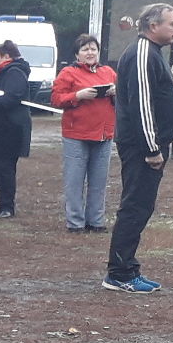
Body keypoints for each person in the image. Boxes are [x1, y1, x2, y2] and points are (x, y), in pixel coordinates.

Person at [105, 3, 173, 293]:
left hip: (150, 144)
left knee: (141, 206)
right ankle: (120, 273)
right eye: (172, 23)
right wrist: (152, 148)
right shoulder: (142, 52)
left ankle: (127, 268)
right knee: (135, 207)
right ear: (153, 26)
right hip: (141, 147)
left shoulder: (152, 53)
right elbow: (141, 104)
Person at [52, 35, 116, 233]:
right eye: (85, 49)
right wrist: (77, 95)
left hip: (104, 134)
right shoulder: (68, 73)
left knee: (99, 182)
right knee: (74, 181)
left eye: (93, 49)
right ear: (77, 54)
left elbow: (124, 98)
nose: (90, 53)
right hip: (76, 135)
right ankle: (75, 222)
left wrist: (116, 92)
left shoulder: (108, 72)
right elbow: (56, 99)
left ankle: (96, 221)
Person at [0, 41, 33, 218]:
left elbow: (11, 98)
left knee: (5, 167)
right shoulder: (0, 73)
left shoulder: (14, 73)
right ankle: (2, 201)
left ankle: (7, 205)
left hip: (10, 128)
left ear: (7, 57)